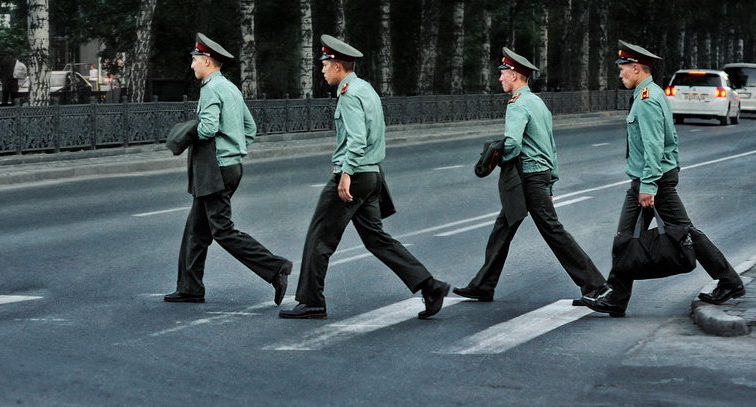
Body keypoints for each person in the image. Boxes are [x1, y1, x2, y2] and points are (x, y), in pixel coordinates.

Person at [280, 35, 449, 320]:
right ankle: (430, 286)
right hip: (371, 174)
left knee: (319, 237)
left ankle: (311, 302)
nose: (321, 70)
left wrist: (345, 174)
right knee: (377, 239)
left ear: (336, 66)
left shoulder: (348, 93)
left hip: (355, 174)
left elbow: (357, 139)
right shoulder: (365, 88)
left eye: (324, 64)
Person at [584, 41, 746, 317]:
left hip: (654, 180)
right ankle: (617, 297)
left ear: (636, 67)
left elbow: (654, 147)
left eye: (623, 68)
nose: (620, 73)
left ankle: (729, 281)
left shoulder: (647, 99)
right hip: (649, 178)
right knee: (626, 236)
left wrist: (648, 185)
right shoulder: (649, 93)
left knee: (683, 232)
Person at [452, 48, 606, 304]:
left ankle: (595, 284)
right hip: (540, 175)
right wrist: (552, 181)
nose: (499, 79)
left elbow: (512, 143)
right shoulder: (538, 103)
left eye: (502, 74)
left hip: (528, 176)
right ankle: (482, 285)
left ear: (514, 75)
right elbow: (550, 146)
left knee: (552, 230)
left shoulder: (517, 104)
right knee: (504, 226)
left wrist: (495, 158)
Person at [164, 34, 293, 306]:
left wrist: (186, 133)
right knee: (196, 230)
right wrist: (235, 149)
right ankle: (190, 288)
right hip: (230, 166)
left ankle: (275, 268)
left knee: (222, 230)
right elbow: (250, 128)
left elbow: (208, 128)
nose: (192, 65)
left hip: (215, 169)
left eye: (195, 60)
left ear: (207, 61)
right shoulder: (231, 88)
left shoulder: (211, 88)